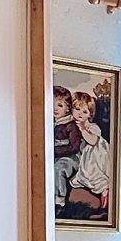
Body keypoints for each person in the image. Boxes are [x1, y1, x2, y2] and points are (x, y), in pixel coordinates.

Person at [52, 84, 83, 212]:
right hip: (56, 155)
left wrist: (54, 151)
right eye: (52, 104)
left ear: (68, 108)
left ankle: (60, 201)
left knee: (58, 168)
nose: (55, 108)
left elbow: (73, 147)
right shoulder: (51, 122)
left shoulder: (70, 125)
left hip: (71, 158)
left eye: (60, 105)